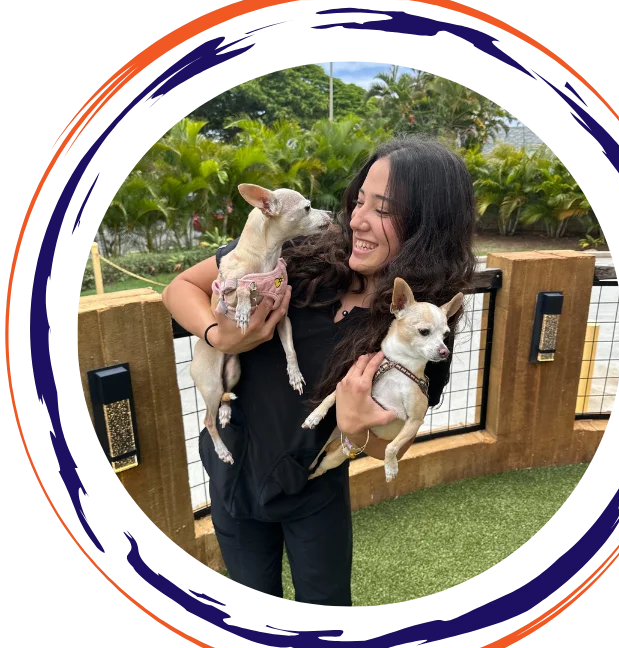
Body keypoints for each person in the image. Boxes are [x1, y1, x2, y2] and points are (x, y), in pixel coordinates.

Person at [162, 136, 477, 608]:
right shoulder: (294, 251)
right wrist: (218, 335)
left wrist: (356, 428)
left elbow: (389, 432)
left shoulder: (422, 325)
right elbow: (180, 287)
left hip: (313, 486)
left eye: (383, 209)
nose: (357, 219)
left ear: (427, 228)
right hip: (234, 471)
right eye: (359, 200)